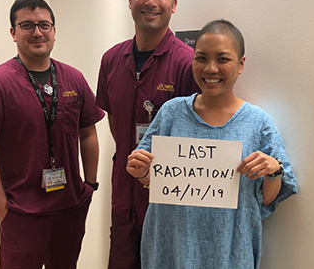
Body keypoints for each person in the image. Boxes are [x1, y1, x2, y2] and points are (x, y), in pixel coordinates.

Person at [126, 20, 298, 268]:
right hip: (170, 248)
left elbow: (267, 199)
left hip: (229, 252)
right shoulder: (171, 113)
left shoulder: (258, 122)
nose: (211, 68)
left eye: (223, 59)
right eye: (201, 58)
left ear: (241, 64)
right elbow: (155, 177)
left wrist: (274, 170)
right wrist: (141, 172)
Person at [0, 0, 105, 269]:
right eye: (27, 25)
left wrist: (90, 185)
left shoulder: (73, 78)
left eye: (44, 25)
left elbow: (88, 132)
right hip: (22, 213)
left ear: (54, 31)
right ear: (13, 33)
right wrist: (3, 209)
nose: (37, 32)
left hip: (70, 209)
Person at [96, 0, 199, 268]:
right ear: (130, 0)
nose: (151, 1)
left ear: (174, 4)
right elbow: (114, 119)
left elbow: (201, 135)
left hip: (168, 203)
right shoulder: (112, 60)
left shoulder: (188, 64)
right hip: (123, 197)